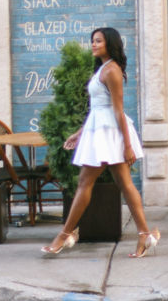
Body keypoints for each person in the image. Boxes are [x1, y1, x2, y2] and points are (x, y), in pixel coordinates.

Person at [42, 26, 161, 258]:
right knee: (124, 185)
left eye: (98, 41)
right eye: (93, 41)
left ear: (110, 44)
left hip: (111, 134)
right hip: (101, 130)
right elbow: (98, 109)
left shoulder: (111, 71)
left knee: (87, 183)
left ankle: (65, 235)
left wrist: (127, 146)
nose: (93, 45)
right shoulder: (104, 69)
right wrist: (79, 133)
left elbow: (117, 111)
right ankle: (144, 235)